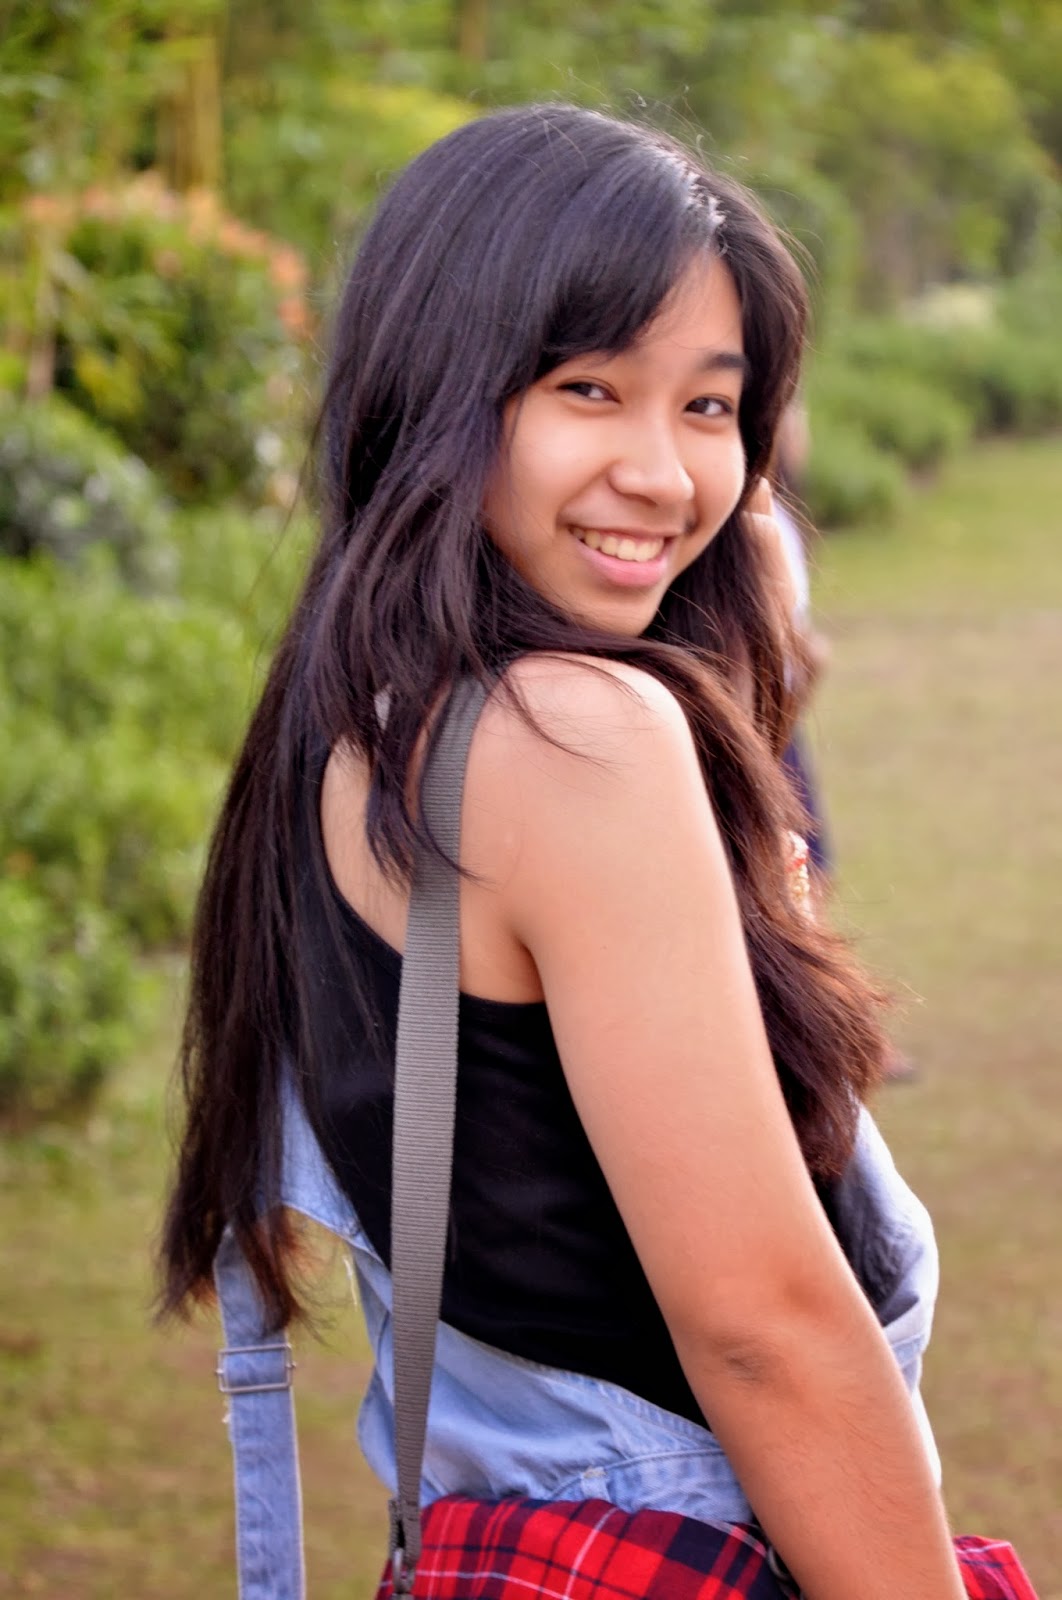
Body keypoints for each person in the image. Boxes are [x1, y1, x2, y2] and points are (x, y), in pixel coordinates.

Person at [160, 105, 971, 1599]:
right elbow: (762, 1328)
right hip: (684, 1533)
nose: (664, 473)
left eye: (709, 406)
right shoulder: (574, 737)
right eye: (589, 388)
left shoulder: (360, 721)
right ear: (439, 391)